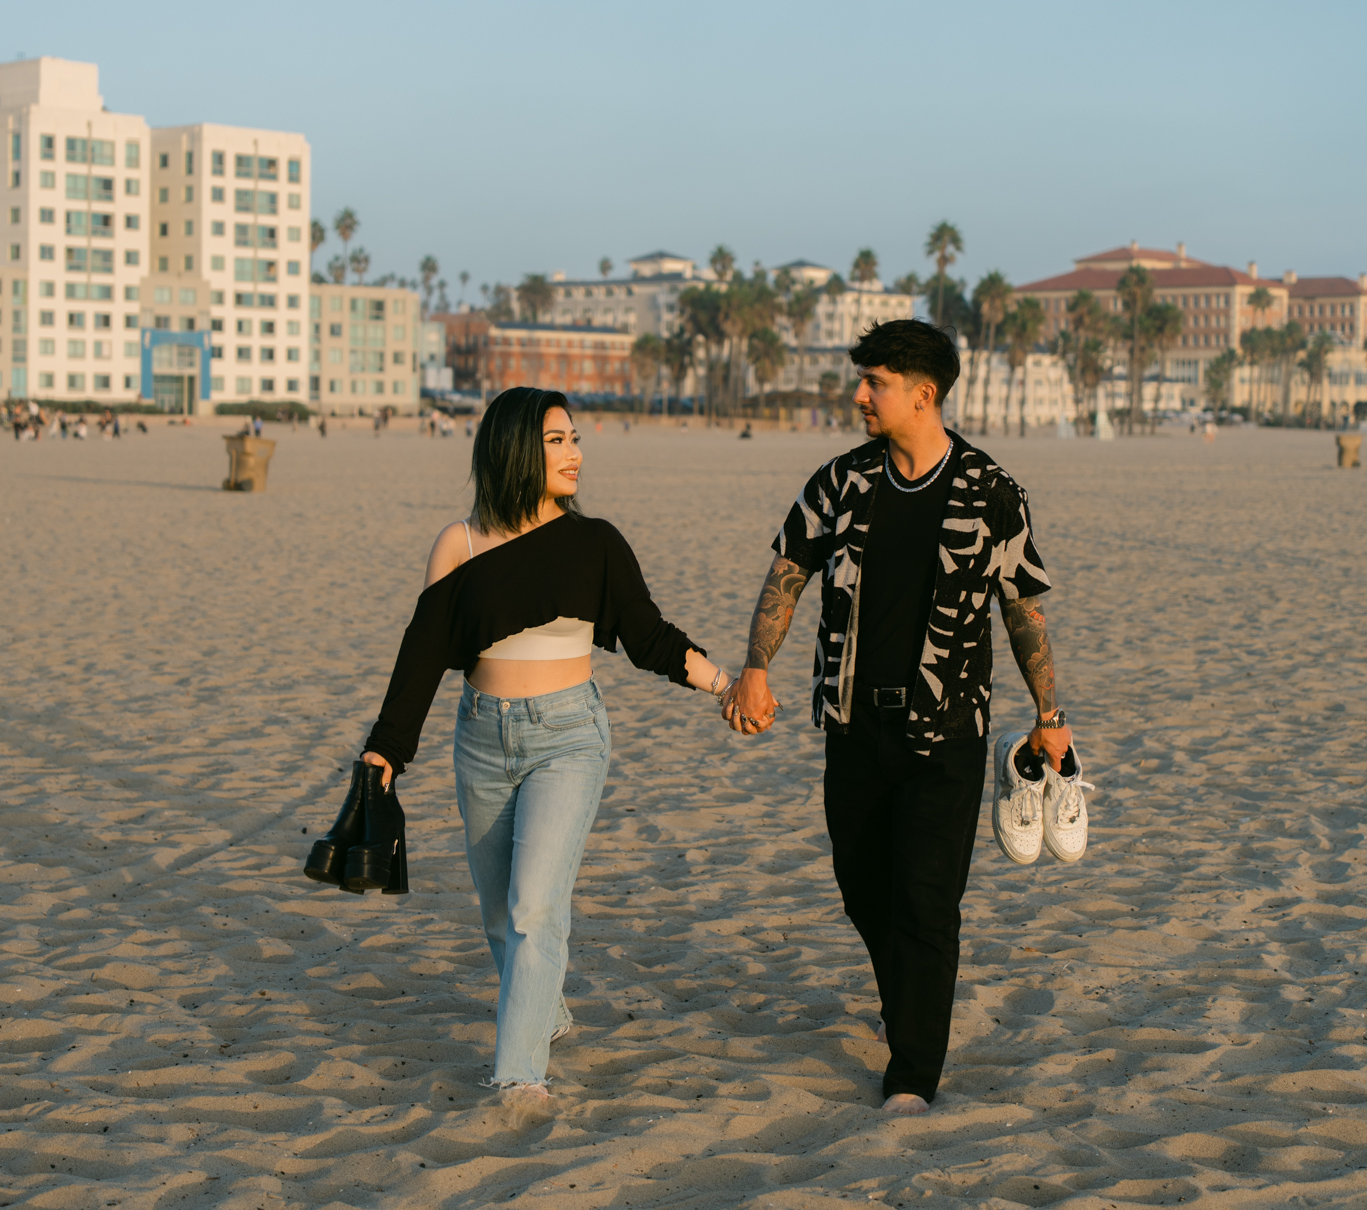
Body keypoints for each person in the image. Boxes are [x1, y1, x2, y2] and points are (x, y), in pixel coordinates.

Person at [722, 319, 1085, 1119]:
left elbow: (1022, 611)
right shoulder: (841, 482)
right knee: (862, 890)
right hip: (852, 728)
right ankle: (910, 1001)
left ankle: (913, 1070)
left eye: (873, 383)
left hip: (947, 734)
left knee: (926, 901)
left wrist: (1049, 715)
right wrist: (755, 668)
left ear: (921, 394)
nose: (858, 395)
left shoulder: (990, 492)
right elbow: (786, 573)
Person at [357, 386, 728, 1105]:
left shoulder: (594, 543)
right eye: (556, 441)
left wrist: (724, 686)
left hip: (567, 737)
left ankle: (519, 1075)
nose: (575, 454)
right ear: (514, 450)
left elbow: (647, 637)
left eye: (575, 439)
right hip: (481, 739)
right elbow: (422, 656)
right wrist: (385, 752)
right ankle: (545, 1013)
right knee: (500, 914)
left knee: (532, 909)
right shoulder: (458, 544)